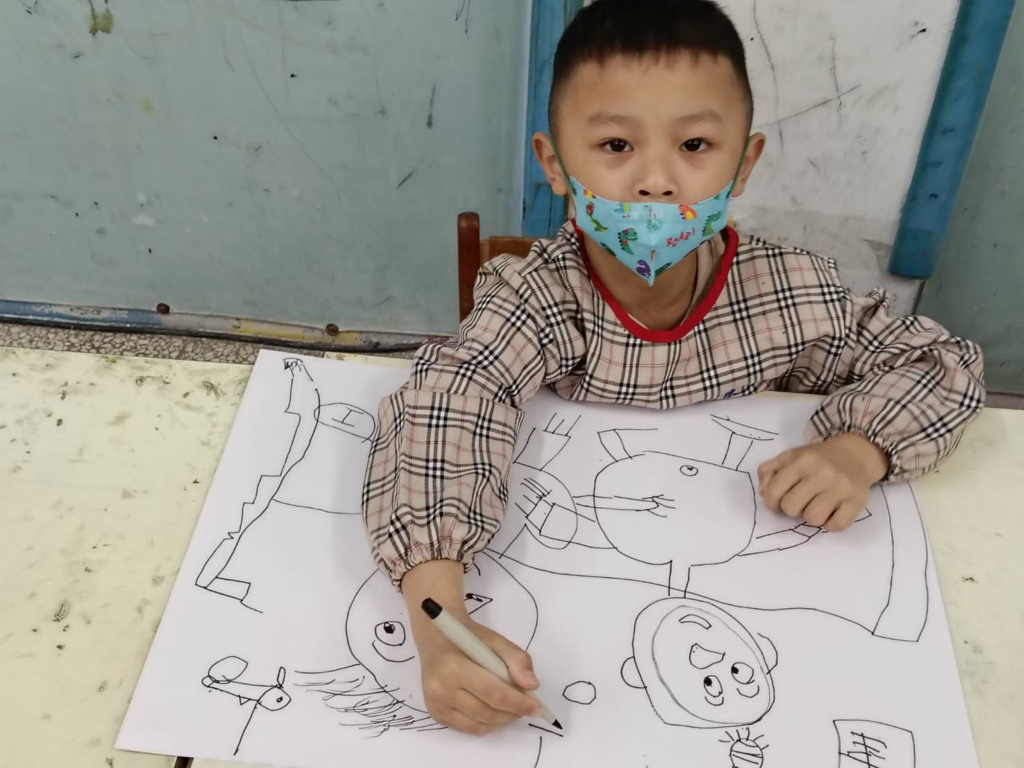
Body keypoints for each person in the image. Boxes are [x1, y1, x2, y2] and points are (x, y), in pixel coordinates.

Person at [361, 0, 984, 736]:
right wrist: (438, 619)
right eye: (615, 145)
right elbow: (447, 403)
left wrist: (858, 449)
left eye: (694, 145)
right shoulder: (537, 296)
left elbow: (941, 362)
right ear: (555, 164)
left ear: (742, 163)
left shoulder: (786, 294)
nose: (656, 181)